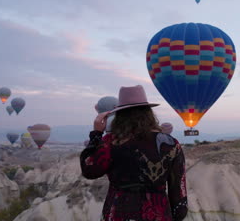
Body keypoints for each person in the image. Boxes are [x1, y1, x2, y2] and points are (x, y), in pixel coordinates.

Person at [80, 85, 187, 221]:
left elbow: (89, 170)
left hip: (118, 213)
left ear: (120, 115)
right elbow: (179, 190)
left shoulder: (111, 142)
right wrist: (176, 216)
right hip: (158, 214)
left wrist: (96, 134)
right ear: (148, 113)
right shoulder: (171, 144)